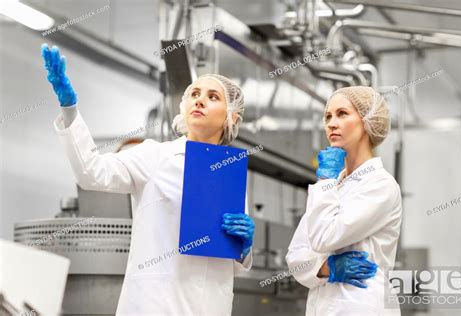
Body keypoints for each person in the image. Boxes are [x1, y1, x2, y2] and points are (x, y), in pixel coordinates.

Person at [41, 43, 255, 316]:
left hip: (209, 306)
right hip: (155, 305)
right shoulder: (155, 155)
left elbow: (229, 258)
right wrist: (70, 109)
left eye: (213, 97)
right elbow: (91, 172)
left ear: (231, 116)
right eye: (195, 94)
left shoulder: (230, 173)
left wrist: (244, 248)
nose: (199, 100)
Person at [286, 86, 402, 315]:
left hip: (362, 305)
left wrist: (326, 181)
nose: (331, 123)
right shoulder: (333, 186)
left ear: (368, 121)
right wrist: (324, 267)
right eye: (328, 116)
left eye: (342, 114)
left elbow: (323, 237)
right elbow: (295, 256)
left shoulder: (380, 186)